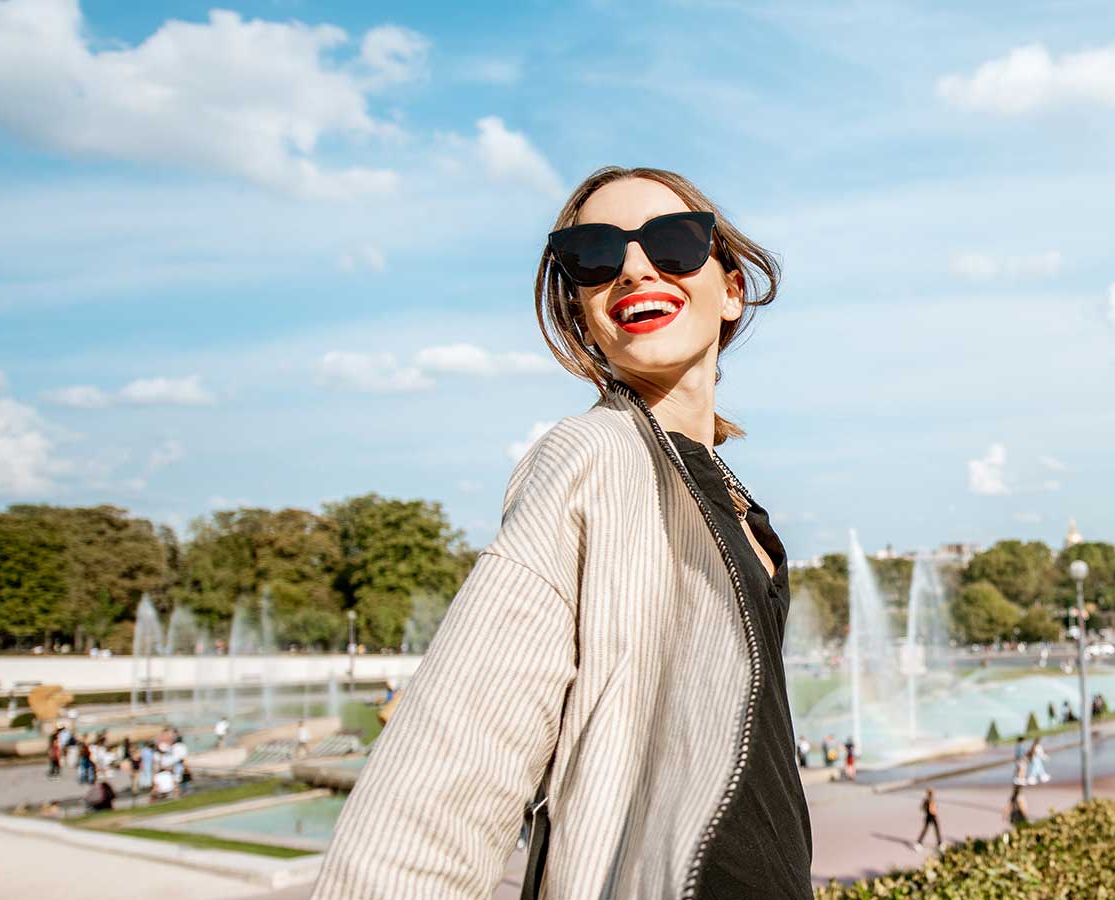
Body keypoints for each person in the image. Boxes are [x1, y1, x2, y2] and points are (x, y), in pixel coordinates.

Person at [314, 167, 809, 900]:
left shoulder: (729, 496)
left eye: (673, 243)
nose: (634, 268)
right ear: (581, 314)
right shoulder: (590, 459)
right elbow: (446, 778)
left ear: (732, 289)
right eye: (594, 257)